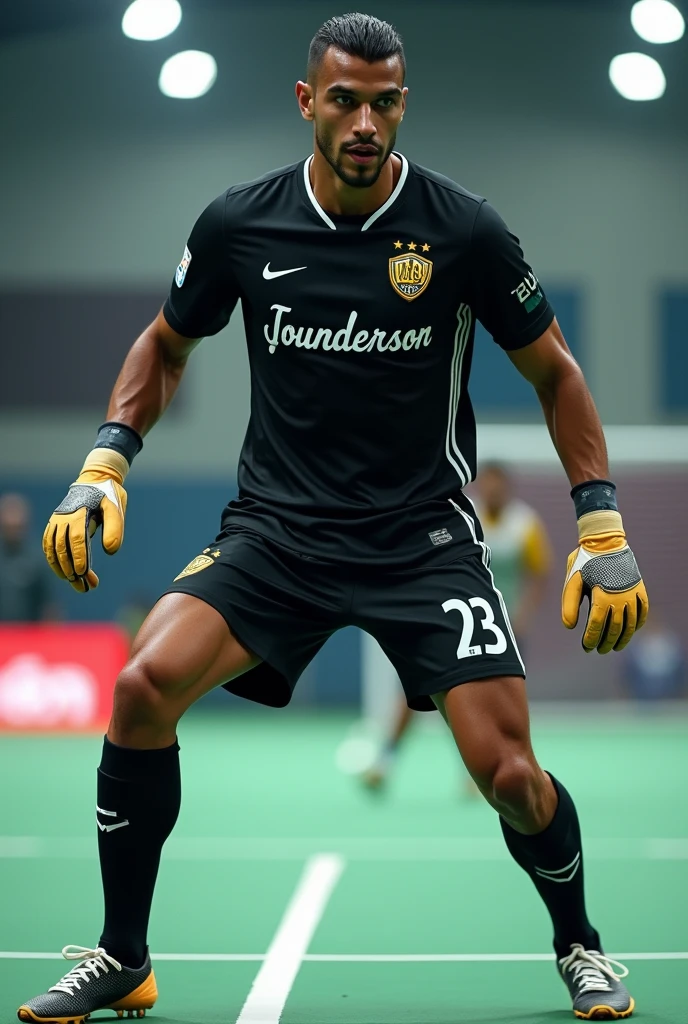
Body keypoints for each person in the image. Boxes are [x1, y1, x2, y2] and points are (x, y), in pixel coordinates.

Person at [22, 13, 648, 1021]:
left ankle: (580, 943)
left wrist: (600, 522)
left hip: (423, 542)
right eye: (346, 100)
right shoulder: (239, 224)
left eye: (385, 102)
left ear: (403, 104)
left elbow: (556, 371)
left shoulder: (463, 230)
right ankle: (122, 955)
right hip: (276, 533)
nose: (366, 121)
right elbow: (165, 343)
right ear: (308, 101)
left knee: (512, 776)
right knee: (141, 686)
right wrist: (106, 460)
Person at [361, 463, 552, 793]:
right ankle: (385, 760)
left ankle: (482, 772)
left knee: (489, 706)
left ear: (506, 487)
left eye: (497, 484)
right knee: (412, 697)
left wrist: (522, 615)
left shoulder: (526, 525)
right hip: (449, 622)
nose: (491, 490)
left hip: (498, 630)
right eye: (487, 483)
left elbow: (538, 573)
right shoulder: (464, 516)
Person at [0, 493, 55, 623]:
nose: (12, 529)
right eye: (9, 526)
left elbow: (48, 607)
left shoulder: (36, 560)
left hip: (28, 637)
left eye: (17, 526)